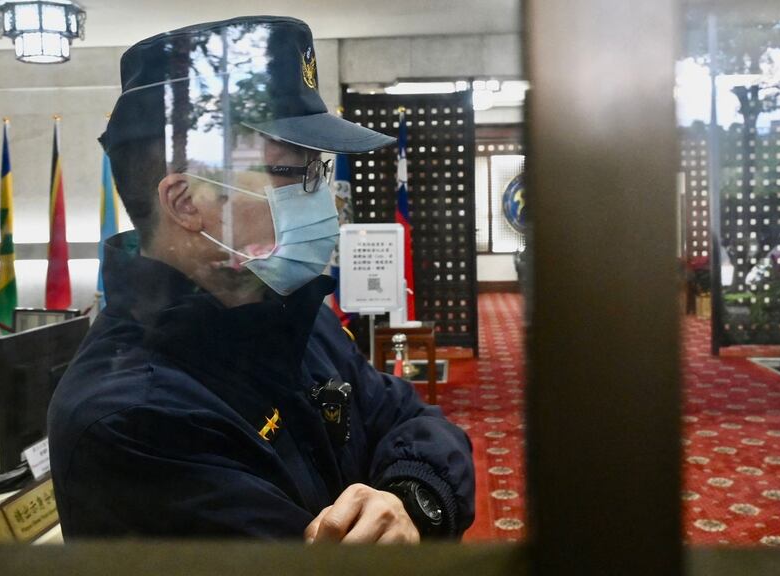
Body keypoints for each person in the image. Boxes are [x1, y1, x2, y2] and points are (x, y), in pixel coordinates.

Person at [47, 15, 475, 542]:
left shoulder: (285, 309)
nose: (328, 200)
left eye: (323, 170)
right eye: (298, 174)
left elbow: (411, 415)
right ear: (187, 202)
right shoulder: (135, 420)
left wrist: (415, 496)